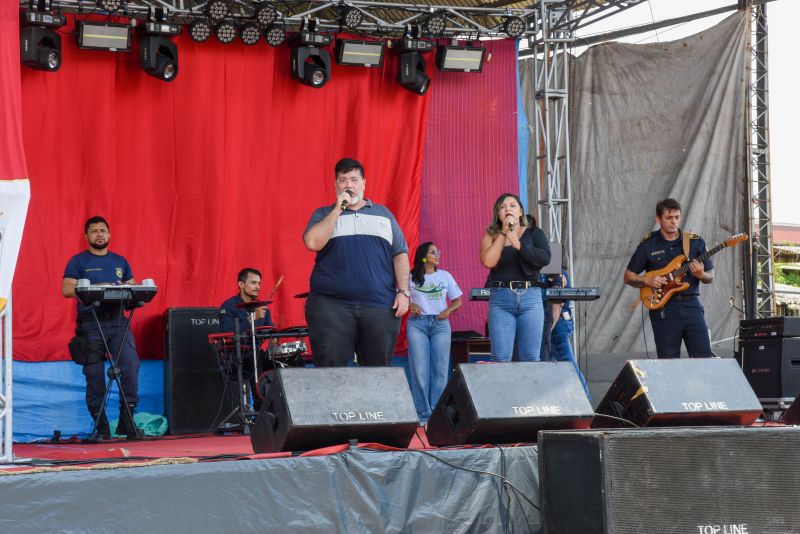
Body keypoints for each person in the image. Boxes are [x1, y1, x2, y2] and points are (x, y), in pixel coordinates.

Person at [303, 157, 410, 367]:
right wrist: (337, 209)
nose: (349, 185)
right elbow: (312, 242)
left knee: (377, 373)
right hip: (331, 306)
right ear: (336, 185)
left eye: (354, 179)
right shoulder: (324, 214)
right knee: (331, 371)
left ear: (363, 184)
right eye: (343, 180)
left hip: (379, 307)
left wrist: (404, 292)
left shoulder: (383, 215)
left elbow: (400, 254)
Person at [62, 216, 141, 439]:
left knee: (130, 366)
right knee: (94, 375)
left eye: (103, 230)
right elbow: (67, 289)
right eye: (94, 231)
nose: (99, 234)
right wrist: (93, 287)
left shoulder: (120, 261)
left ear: (109, 234)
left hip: (118, 322)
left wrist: (128, 287)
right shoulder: (78, 261)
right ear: (86, 236)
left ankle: (127, 419)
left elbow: (132, 286)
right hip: (91, 324)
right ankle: (100, 424)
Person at [624, 198, 714, 358]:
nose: (674, 222)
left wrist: (701, 275)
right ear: (658, 219)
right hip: (665, 310)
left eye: (677, 217)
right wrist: (647, 280)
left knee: (704, 356)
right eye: (669, 218)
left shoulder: (695, 242)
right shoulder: (648, 244)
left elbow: (710, 277)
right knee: (668, 361)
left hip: (691, 304)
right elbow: (628, 277)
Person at [480, 193, 551, 362]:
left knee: (531, 357)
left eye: (512, 205)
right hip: (501, 299)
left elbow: (545, 258)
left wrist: (518, 244)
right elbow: (488, 261)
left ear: (520, 212)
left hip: (530, 299)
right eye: (502, 207)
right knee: (500, 358)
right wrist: (504, 234)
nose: (507, 209)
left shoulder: (535, 233)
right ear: (498, 214)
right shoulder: (491, 235)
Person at [407, 242, 462, 423]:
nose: (437, 254)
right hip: (418, 325)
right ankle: (423, 415)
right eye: (433, 252)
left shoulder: (444, 275)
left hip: (440, 324)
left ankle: (438, 416)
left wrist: (448, 310)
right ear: (424, 257)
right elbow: (401, 298)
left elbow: (457, 301)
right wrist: (410, 304)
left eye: (438, 251)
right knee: (419, 370)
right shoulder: (410, 278)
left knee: (440, 369)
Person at [219, 268, 275, 411]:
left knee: (283, 361)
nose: (258, 287)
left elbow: (271, 331)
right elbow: (228, 334)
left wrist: (274, 340)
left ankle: (272, 411)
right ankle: (254, 412)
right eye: (253, 283)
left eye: (259, 283)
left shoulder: (262, 307)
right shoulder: (229, 306)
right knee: (254, 361)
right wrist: (253, 318)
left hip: (257, 354)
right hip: (236, 355)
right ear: (241, 284)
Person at [548, 268, 590, 398]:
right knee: (556, 369)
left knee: (568, 368)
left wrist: (547, 331)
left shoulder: (553, 269)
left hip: (557, 323)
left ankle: (586, 403)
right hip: (557, 322)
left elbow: (557, 304)